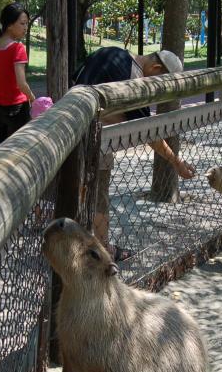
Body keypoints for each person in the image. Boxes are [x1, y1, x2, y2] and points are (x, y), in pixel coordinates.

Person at [73, 46, 195, 260]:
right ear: (156, 67)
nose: (157, 92)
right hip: (93, 140)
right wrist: (176, 162)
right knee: (98, 196)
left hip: (69, 129)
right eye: (160, 84)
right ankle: (102, 252)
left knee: (76, 193)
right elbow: (149, 134)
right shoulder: (135, 79)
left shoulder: (110, 51)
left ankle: (75, 246)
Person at [0, 2, 36, 147]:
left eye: (27, 24)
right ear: (9, 25)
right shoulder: (18, 48)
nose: (26, 28)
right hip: (17, 110)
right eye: (22, 23)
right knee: (19, 155)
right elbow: (21, 83)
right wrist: (32, 98)